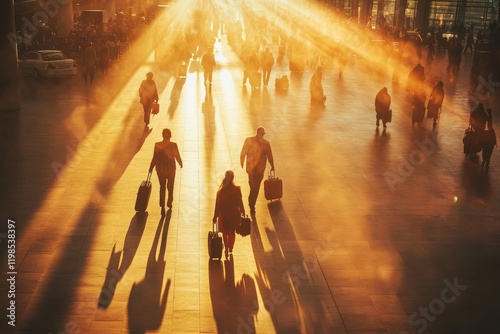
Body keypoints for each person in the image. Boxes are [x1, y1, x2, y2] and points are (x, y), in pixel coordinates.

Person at [240, 127, 275, 213]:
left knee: (252, 184)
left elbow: (243, 151)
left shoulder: (249, 140)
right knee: (256, 187)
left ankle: (251, 201)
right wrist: (272, 165)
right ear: (263, 134)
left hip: (250, 168)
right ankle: (252, 202)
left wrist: (242, 160)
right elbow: (270, 155)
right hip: (260, 169)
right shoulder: (266, 143)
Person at [149, 128, 183, 215]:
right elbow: (176, 155)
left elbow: (155, 157)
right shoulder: (173, 145)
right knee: (170, 187)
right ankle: (169, 202)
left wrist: (151, 168)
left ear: (163, 135)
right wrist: (180, 162)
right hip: (171, 169)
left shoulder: (158, 145)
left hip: (160, 170)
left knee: (162, 187)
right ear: (170, 136)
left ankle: (162, 205)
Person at [212, 170, 245, 259]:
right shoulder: (237, 190)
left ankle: (226, 248)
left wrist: (215, 216)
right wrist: (243, 211)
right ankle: (230, 246)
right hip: (234, 215)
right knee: (232, 232)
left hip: (223, 215)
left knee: (225, 233)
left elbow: (217, 205)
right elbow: (240, 202)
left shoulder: (220, 191)